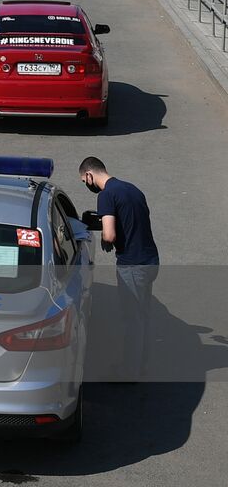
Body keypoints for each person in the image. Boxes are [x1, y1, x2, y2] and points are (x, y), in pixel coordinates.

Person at [78, 157, 160, 378]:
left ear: (89, 176)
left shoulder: (106, 196)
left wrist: (106, 240)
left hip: (132, 265)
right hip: (150, 260)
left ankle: (129, 371)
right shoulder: (132, 189)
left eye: (84, 181)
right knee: (142, 315)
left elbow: (110, 233)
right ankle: (142, 364)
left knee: (131, 319)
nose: (86, 185)